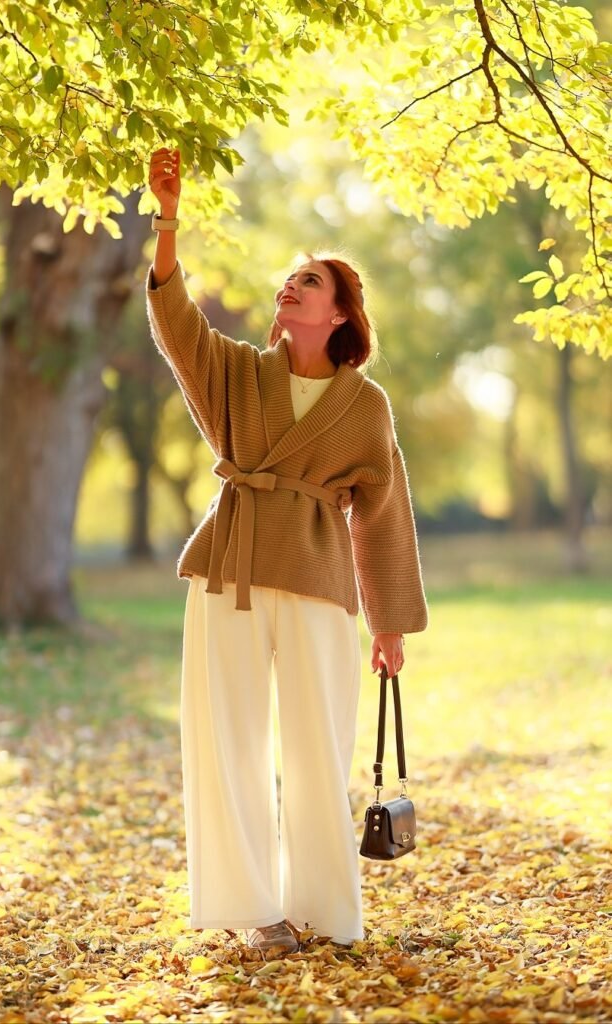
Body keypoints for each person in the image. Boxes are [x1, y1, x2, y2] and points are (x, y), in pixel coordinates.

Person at [146, 147, 428, 956]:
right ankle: (250, 910)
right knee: (225, 740)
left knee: (316, 751)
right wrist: (169, 220)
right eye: (290, 279)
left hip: (317, 582)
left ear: (339, 313)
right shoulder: (235, 373)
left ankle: (328, 913)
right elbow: (173, 322)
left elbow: (381, 515)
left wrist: (390, 625)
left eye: (310, 281)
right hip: (227, 571)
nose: (291, 286)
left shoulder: (366, 407)